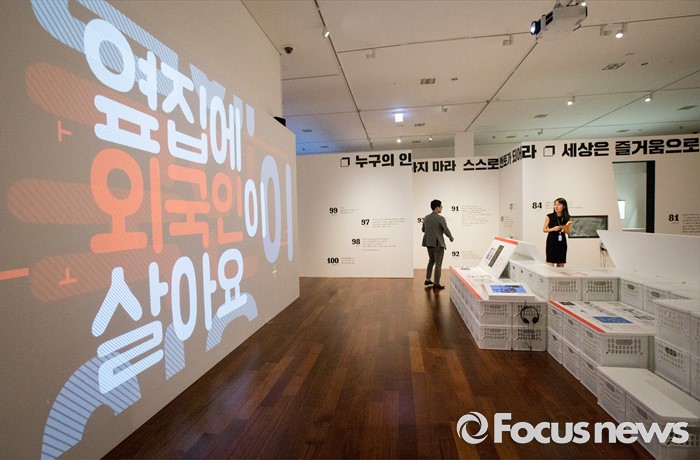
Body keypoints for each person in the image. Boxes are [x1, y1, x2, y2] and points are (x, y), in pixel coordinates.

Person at [422, 199, 454, 289]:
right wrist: (451, 237)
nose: (442, 208)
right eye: (441, 206)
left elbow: (423, 229)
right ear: (437, 208)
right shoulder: (440, 218)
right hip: (438, 244)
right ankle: (436, 284)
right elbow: (446, 230)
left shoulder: (426, 217)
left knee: (431, 261)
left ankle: (427, 280)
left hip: (429, 243)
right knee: (438, 264)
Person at [543, 197, 572, 267]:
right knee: (550, 263)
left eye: (559, 205)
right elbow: (544, 229)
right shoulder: (549, 216)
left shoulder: (568, 217)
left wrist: (564, 228)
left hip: (562, 242)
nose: (556, 206)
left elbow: (570, 232)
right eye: (555, 204)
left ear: (564, 206)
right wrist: (553, 229)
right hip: (551, 242)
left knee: (561, 264)